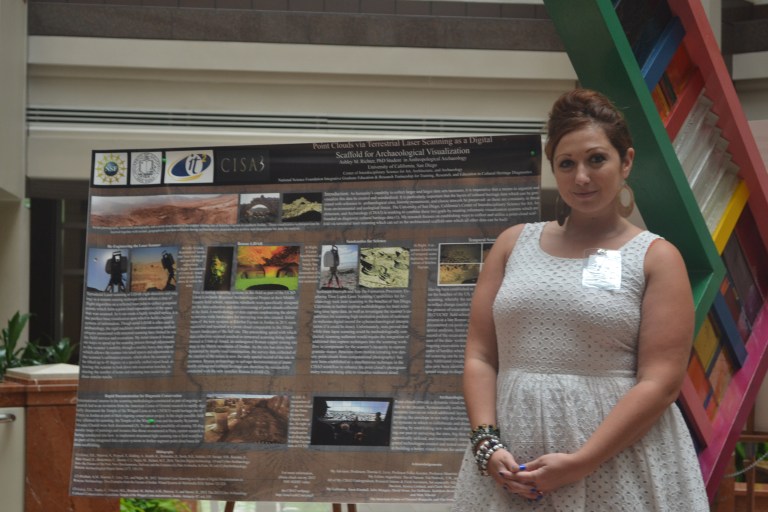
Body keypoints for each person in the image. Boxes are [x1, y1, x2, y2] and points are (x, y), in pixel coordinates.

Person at [451, 88, 709, 510]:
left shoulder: (656, 257)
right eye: (566, 164)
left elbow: (661, 382)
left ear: (626, 161)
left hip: (617, 457)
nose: (581, 177)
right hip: (511, 461)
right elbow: (480, 356)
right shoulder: (512, 244)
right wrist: (486, 442)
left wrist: (582, 461)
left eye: (596, 159)